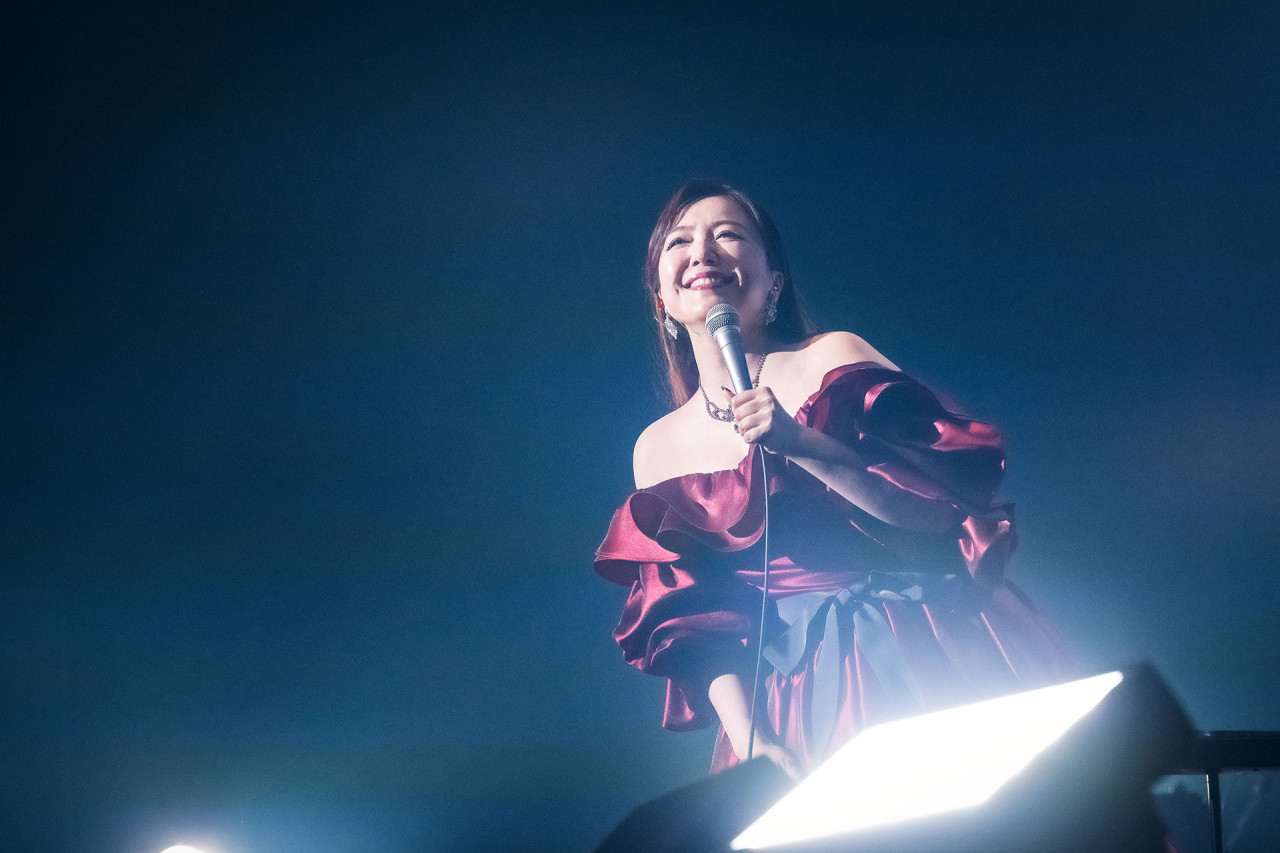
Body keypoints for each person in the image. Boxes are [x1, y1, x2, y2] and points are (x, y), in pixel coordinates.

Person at [594, 179, 1076, 780]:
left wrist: (799, 443)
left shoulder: (833, 357)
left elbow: (937, 510)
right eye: (680, 241)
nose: (703, 252)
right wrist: (751, 739)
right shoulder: (657, 447)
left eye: (728, 234)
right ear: (661, 297)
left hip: (918, 638)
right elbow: (692, 619)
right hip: (791, 692)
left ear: (774, 282)